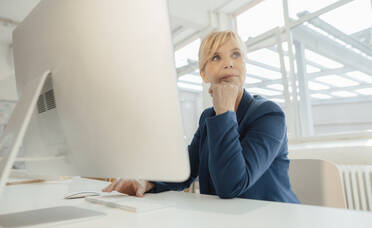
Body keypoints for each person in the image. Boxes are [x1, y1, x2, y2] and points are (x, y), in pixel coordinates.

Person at [103, 30, 299, 203]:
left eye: (236, 55)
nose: (229, 63)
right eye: (215, 57)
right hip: (225, 224)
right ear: (204, 74)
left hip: (271, 224)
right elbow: (186, 169)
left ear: (244, 67)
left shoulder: (269, 114)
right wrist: (147, 181)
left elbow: (231, 186)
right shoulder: (208, 118)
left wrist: (225, 112)